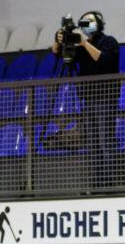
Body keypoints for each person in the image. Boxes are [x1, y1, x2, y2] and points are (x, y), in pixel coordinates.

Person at [51, 10, 120, 187]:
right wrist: (59, 40)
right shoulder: (80, 46)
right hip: (88, 98)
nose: (86, 24)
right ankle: (97, 182)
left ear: (99, 23)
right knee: (93, 142)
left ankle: (111, 182)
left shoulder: (108, 41)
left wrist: (84, 42)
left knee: (105, 140)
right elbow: (60, 55)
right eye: (83, 21)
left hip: (106, 97)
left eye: (90, 21)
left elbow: (103, 59)